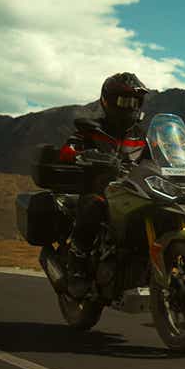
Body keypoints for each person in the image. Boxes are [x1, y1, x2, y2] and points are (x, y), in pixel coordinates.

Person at [61, 72, 150, 298]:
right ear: (107, 101)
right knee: (93, 204)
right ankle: (77, 265)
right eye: (124, 101)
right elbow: (69, 149)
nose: (130, 107)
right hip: (98, 190)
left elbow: (159, 154)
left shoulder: (143, 136)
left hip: (134, 191)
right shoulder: (92, 130)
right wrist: (78, 152)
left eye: (135, 102)